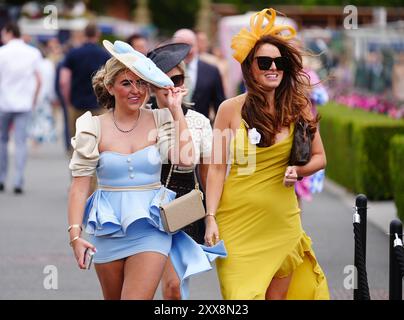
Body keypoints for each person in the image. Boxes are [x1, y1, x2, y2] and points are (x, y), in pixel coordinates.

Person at [68, 40, 226, 300]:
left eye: (141, 83)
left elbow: (185, 160)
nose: (136, 90)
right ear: (110, 87)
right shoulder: (91, 127)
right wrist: (75, 235)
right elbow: (79, 185)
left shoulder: (161, 119)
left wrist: (176, 111)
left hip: (152, 228)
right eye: (126, 83)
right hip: (107, 229)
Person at [204, 8, 329, 300]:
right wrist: (210, 217)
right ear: (250, 67)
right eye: (264, 62)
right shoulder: (229, 110)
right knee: (239, 296)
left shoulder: (297, 107)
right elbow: (217, 168)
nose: (273, 67)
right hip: (235, 224)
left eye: (280, 62)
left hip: (281, 223)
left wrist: (299, 171)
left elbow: (320, 157)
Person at [147, 43, 213, 299]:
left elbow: (207, 173)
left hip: (184, 209)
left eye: (177, 78)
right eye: (163, 79)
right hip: (147, 207)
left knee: (176, 284)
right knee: (158, 284)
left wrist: (212, 216)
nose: (171, 85)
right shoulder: (142, 118)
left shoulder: (199, 122)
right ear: (152, 85)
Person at [0, 22, 42, 194]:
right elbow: (39, 79)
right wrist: (33, 99)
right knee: (20, 142)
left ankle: (2, 178)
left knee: (2, 140)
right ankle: (18, 180)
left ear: (9, 33)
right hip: (24, 103)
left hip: (3, 103)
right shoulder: (33, 53)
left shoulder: (2, 52)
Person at [60, 23, 110, 145]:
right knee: (98, 140)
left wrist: (67, 100)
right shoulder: (104, 55)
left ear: (84, 34)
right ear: (97, 35)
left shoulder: (73, 53)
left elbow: (63, 80)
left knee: (77, 141)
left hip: (77, 103)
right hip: (98, 104)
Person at [173, 29, 225, 121]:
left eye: (190, 45)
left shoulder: (211, 71)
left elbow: (219, 105)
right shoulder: (165, 71)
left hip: (202, 130)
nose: (187, 51)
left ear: (196, 46)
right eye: (182, 46)